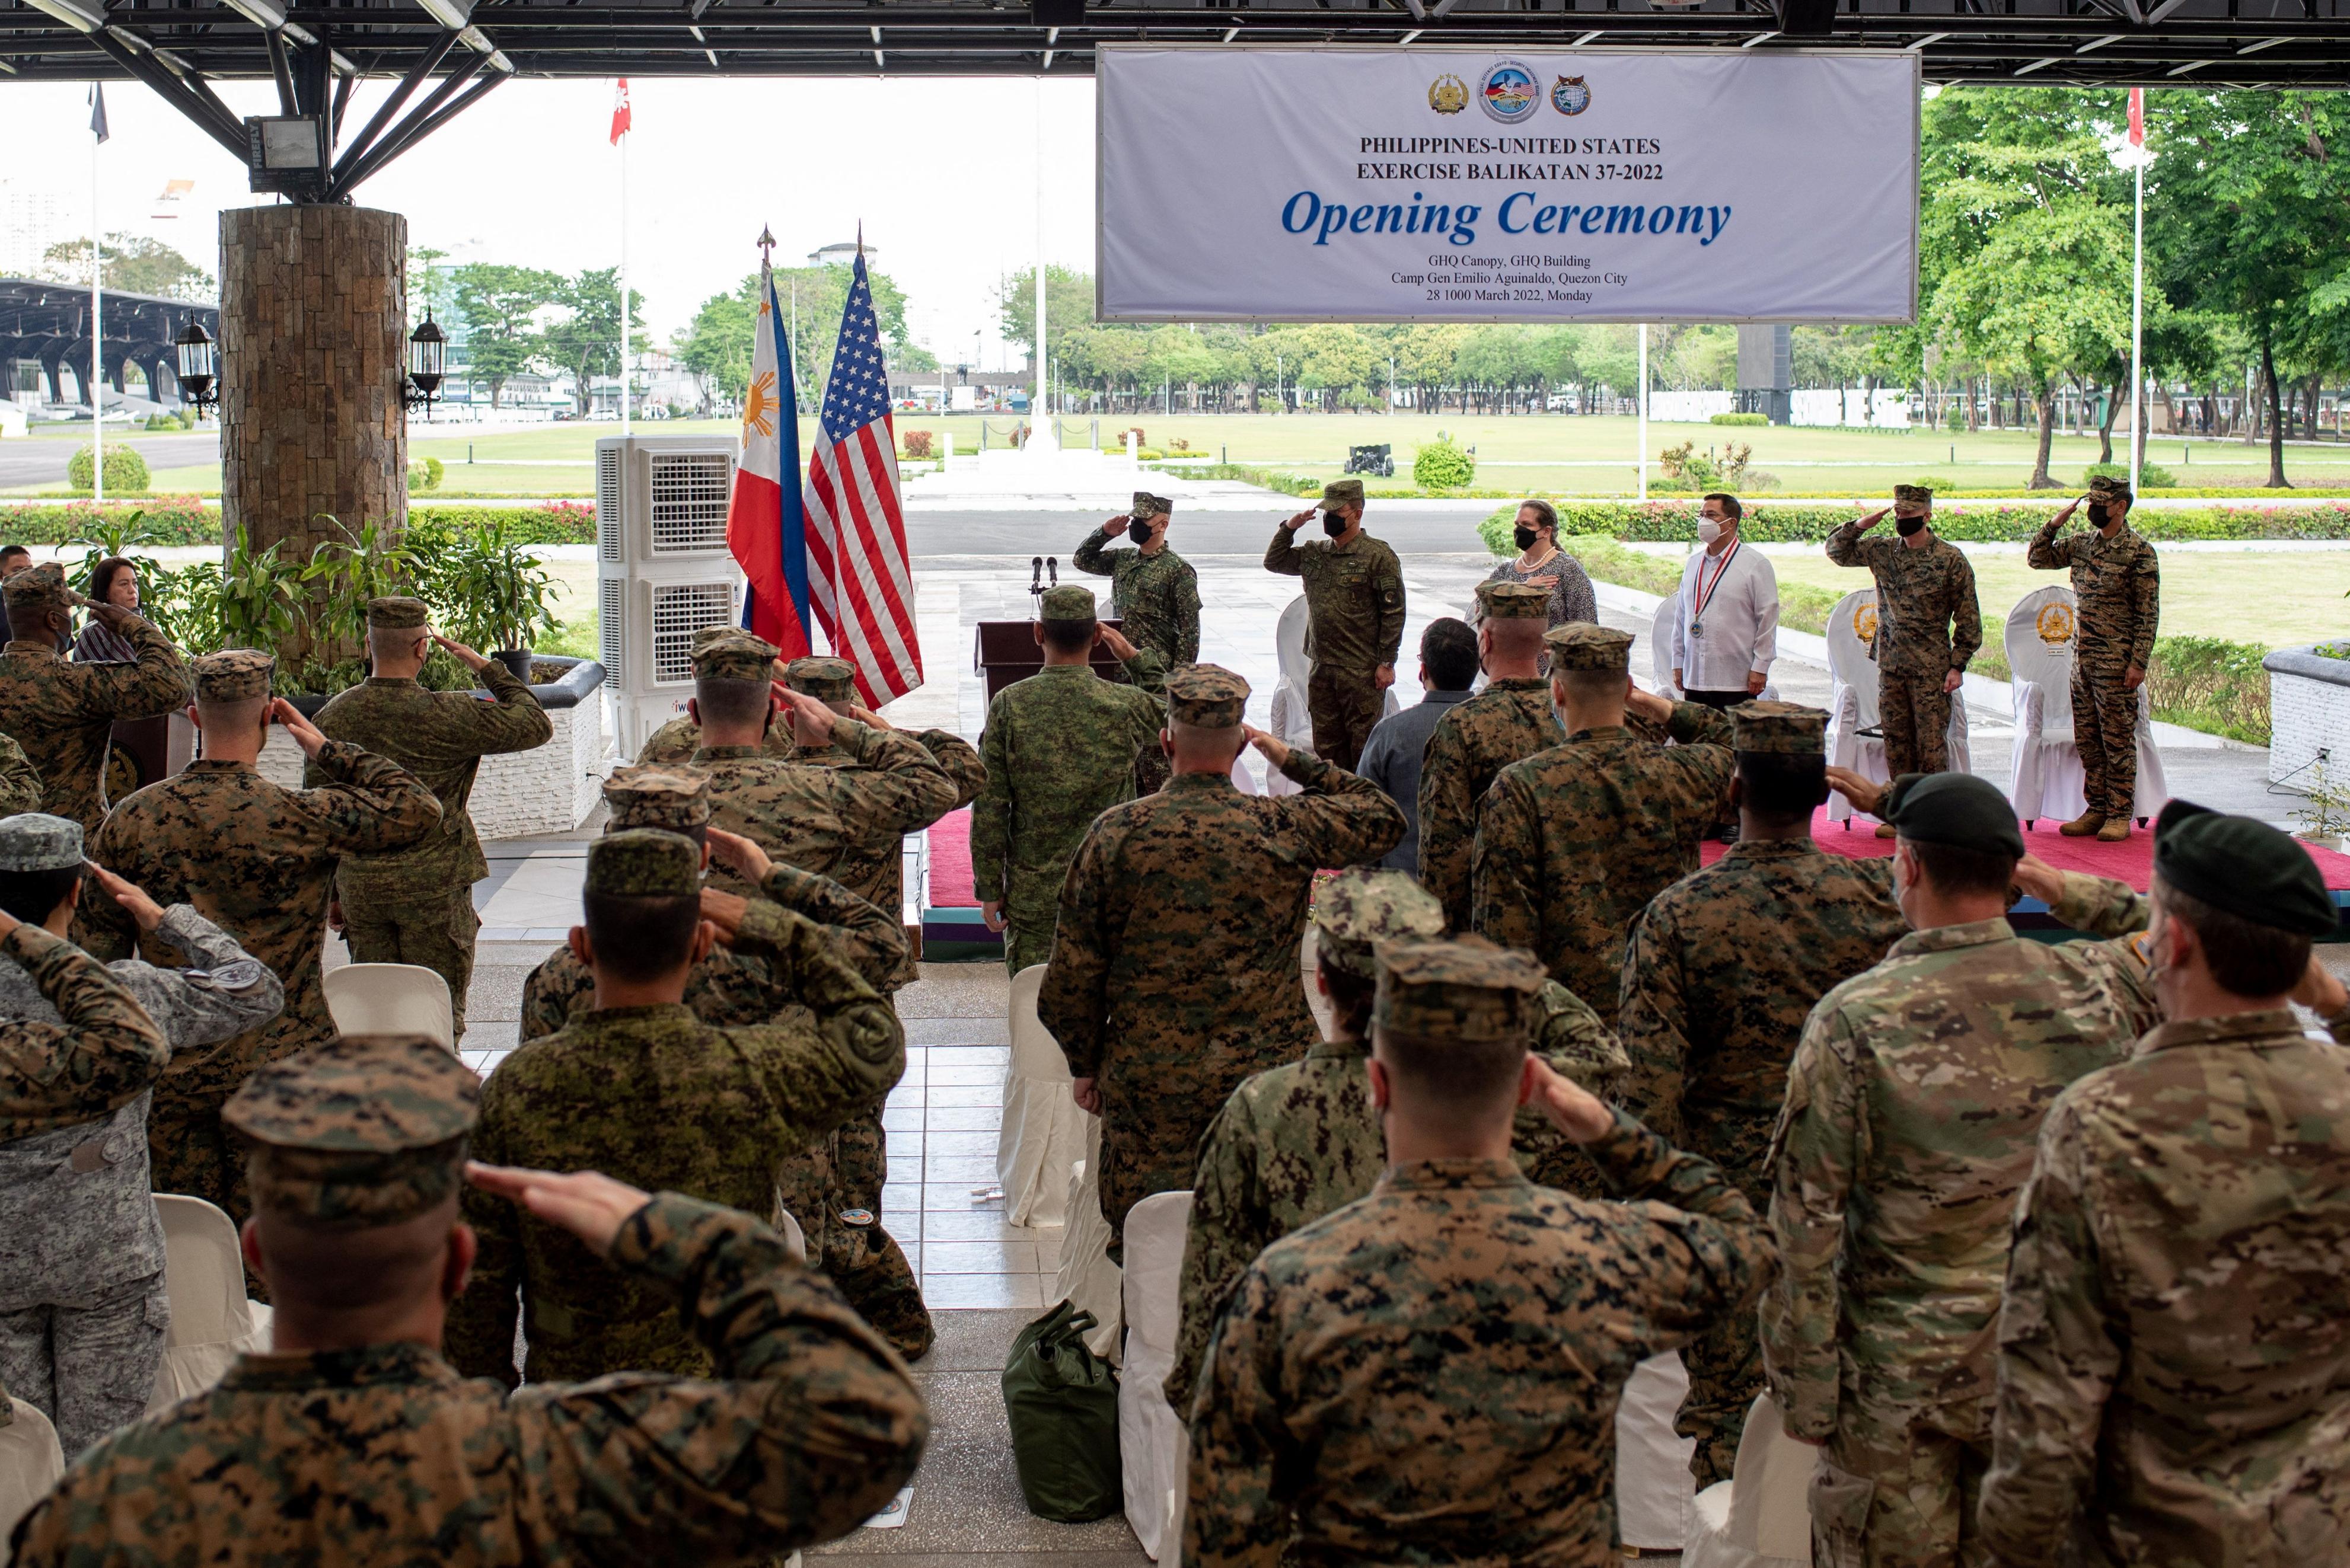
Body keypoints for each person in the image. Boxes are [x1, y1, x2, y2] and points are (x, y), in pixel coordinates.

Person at [9, 1034, 927, 1567]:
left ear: (255, 1253)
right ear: (456, 1262)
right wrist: (687, 1237)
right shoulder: (566, 1462)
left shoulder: (103, 1505)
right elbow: (868, 1422)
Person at [1184, 935, 1771, 1568]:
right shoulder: (1602, 1256)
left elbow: (1225, 1537)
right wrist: (1604, 1128)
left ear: (1377, 1083)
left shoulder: (1284, 1287)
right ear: (1527, 1085)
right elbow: (1745, 1241)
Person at [1761, 771, 2160, 1568]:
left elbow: (1803, 1225)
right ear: (2009, 870)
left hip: (1897, 1386)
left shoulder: (1854, 1018)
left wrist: (1804, 1392)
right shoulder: (2097, 988)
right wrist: (2062, 891)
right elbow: (2188, 936)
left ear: (1904, 865)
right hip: (2048, 1371)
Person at [1979, 804, 2350, 1566]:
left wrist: (2015, 1545)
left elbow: (2051, 1393)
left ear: (2171, 943)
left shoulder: (2102, 1123)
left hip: (2159, 1537)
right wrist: (2337, 1005)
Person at [447, 829, 906, 1387]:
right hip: (724, 1393)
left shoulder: (515, 1088)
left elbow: (483, 1275)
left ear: (583, 946)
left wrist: (488, 1406)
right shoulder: (756, 1072)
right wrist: (772, 915)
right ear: (701, 945)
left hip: (578, 1396)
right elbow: (875, 1035)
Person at [1164, 868, 1628, 1414]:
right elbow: (1602, 1060)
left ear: (1321, 982)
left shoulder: (1259, 1114)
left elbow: (1206, 1345)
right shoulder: (1476, 1098)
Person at [1615, 702, 1907, 1487]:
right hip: (1852, 1187)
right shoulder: (1878, 901)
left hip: (1726, 1200)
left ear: (1733, 790)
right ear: (1822, 795)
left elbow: (1649, 1091)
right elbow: (1979, 858)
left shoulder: (1677, 916)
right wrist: (1891, 802)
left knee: (1725, 1415)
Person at [1039, 663, 1402, 1244]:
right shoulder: (1285, 824)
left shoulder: (1115, 834)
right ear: (1240, 746)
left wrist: (1086, 1061)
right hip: (1265, 1087)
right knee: (1262, 1238)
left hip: (1148, 1085)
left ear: (1166, 740)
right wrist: (1291, 758)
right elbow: (1384, 815)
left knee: (1150, 1248)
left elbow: (1072, 976)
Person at [76, 650, 441, 1227]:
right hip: (286, 1075)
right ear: (271, 717)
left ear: (194, 715)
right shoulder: (300, 815)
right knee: (282, 1255)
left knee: (189, 1252)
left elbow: (96, 961)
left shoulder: (133, 818)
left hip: (175, 1077)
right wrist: (324, 747)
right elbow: (417, 807)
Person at [0, 826, 199, 1460]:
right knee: (101, 1463)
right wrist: (167, 922)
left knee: (16, 1459)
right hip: (108, 1266)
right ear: (80, 892)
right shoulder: (133, 996)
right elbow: (255, 988)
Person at [310, 596, 553, 1043]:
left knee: (374, 1017)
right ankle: (438, 1103)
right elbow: (534, 722)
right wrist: (485, 666)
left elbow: (320, 813)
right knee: (436, 1014)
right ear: (423, 648)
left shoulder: (333, 716)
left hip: (364, 891)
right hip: (435, 889)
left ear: (369, 644)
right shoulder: (449, 714)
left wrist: (331, 894)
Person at [519, 767, 907, 1039]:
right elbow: (885, 947)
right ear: (704, 857)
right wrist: (772, 878)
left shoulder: (556, 977)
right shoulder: (760, 959)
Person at [1474, 624, 1734, 1026]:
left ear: (1557, 692)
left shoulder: (1521, 787)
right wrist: (1661, 707)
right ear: (1628, 686)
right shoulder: (1681, 774)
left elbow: (1504, 930)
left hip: (1566, 1022)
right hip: (1660, 1011)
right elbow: (1734, 742)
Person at [972, 585, 1168, 973]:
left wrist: (990, 887)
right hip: (1107, 890)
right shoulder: (1124, 705)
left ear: (1038, 634)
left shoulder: (1010, 705)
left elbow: (991, 802)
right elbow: (1178, 713)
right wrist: (1135, 658)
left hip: (1034, 896)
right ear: (1096, 637)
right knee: (1104, 1009)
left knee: (1034, 1008)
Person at [1826, 485, 1980, 834]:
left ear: (1927, 516)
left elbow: (1969, 618)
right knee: (1896, 744)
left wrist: (1958, 665)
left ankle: (1931, 818)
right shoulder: (1883, 551)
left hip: (1931, 669)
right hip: (1892, 666)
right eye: (1898, 514)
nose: (1901, 521)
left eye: (1909, 515)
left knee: (1931, 748)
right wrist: (1862, 524)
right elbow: (1835, 550)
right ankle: (1902, 814)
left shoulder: (1949, 559)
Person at [0, 561, 189, 840]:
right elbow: (173, 685)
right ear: (54, 620)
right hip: (74, 846)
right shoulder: (78, 684)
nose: (72, 617)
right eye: (67, 610)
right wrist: (132, 624)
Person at [1417, 582, 1565, 930]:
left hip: (1493, 930)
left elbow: (1445, 852)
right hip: (1567, 923)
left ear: (1485, 642)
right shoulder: (1573, 714)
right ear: (1544, 645)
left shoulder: (1462, 725)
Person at [2026, 474, 2160, 843]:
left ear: (2120, 507)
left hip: (2117, 663)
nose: (2093, 510)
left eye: (2101, 504)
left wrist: (2139, 662)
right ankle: (2096, 807)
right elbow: (2037, 558)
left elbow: (2148, 613)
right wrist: (2054, 524)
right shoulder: (2083, 544)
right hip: (2082, 661)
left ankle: (2119, 813)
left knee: (2116, 740)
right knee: (2087, 740)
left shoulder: (2139, 552)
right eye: (2091, 503)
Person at [1263, 478, 1406, 772]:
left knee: (1363, 749)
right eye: (1326, 512)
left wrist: (1387, 662)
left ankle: (1360, 808)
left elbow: (1393, 612)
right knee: (1326, 747)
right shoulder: (1316, 553)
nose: (1328, 519)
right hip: (1322, 668)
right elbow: (1274, 561)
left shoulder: (1378, 556)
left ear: (1357, 513)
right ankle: (1332, 806)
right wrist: (1290, 527)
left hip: (1362, 671)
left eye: (1336, 513)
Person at [1354, 617, 1477, 876]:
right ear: (1478, 667)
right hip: (1479, 898)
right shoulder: (1498, 728)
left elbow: (1361, 821)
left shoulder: (1391, 733)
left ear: (1423, 671)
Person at [1669, 493, 1778, 711]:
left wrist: (1761, 667)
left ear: (1731, 522)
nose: (1704, 521)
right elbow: (1681, 617)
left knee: (1730, 744)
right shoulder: (1693, 564)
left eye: (1711, 515)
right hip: (1695, 678)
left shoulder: (1754, 564)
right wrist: (1678, 662)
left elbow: (1768, 619)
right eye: (1701, 515)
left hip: (1736, 681)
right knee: (1698, 744)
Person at [1072, 491, 1201, 668]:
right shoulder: (1122, 558)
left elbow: (1190, 633)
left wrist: (1178, 679)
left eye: (1144, 520)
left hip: (1155, 671)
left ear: (1163, 525)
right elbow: (1081, 560)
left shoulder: (1179, 570)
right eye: (1135, 519)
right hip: (1119, 669)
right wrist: (1104, 533)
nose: (1136, 525)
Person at [636, 629, 794, 765]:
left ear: (694, 671)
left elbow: (631, 793)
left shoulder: (666, 738)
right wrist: (789, 674)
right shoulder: (786, 731)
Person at [1479, 497, 1597, 640]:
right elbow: (1479, 611)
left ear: (1546, 531)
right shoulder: (1505, 571)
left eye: (1526, 524)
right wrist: (1521, 589)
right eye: (1517, 524)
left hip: (1549, 661)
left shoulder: (1569, 570)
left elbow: (1587, 627)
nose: (1518, 530)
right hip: (1507, 659)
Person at [71, 558, 140, 665]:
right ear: (106, 592)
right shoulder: (94, 633)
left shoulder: (147, 625)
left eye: (135, 583)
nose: (133, 590)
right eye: (124, 584)